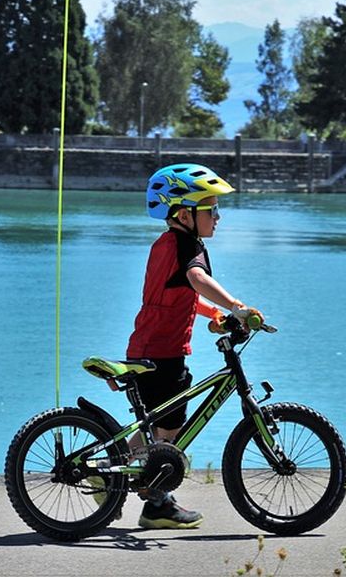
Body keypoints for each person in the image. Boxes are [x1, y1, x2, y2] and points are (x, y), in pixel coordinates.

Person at [127, 163, 264, 529]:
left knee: (155, 423)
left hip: (147, 345)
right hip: (165, 352)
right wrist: (236, 307)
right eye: (212, 209)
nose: (218, 217)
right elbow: (196, 279)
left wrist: (210, 315)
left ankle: (107, 476)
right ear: (185, 213)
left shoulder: (165, 243)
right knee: (170, 430)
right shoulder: (188, 246)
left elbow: (180, 294)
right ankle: (157, 504)